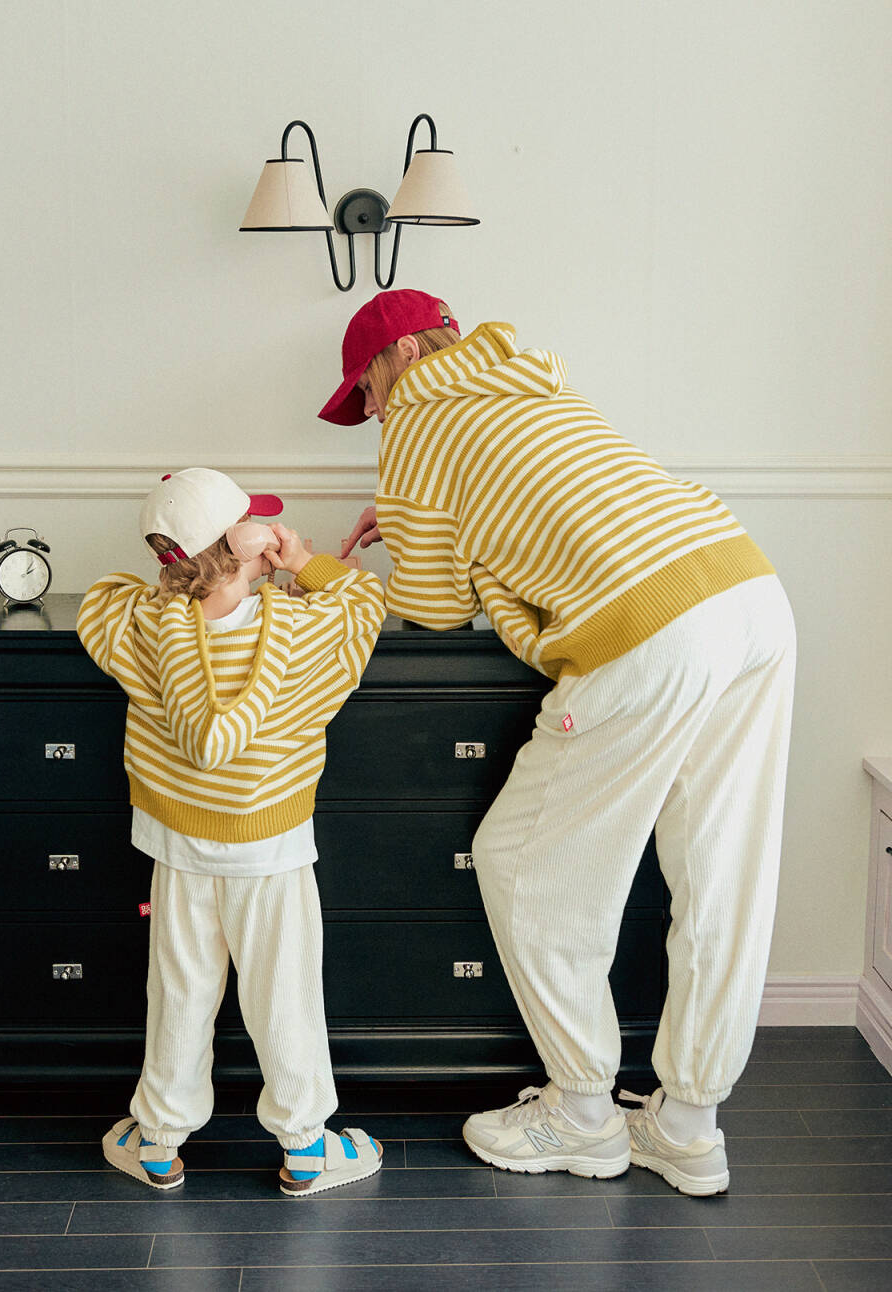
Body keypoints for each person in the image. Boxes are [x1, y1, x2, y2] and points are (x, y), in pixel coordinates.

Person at [323, 290, 796, 1196]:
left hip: (652, 627)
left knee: (522, 864)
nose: (372, 412)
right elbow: (546, 504)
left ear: (400, 359)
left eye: (366, 392)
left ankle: (582, 1113)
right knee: (721, 867)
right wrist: (424, 519)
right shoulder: (537, 382)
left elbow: (434, 607)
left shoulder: (416, 424)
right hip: (744, 587)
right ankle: (690, 1126)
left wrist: (410, 528)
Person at [77, 467, 386, 1196]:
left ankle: (159, 1142)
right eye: (257, 524)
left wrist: (189, 575)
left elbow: (101, 598)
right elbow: (365, 599)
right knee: (285, 997)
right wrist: (299, 562)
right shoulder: (305, 633)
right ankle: (306, 1149)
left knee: (179, 992)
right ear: (242, 542)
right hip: (271, 850)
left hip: (179, 848)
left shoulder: (145, 628)